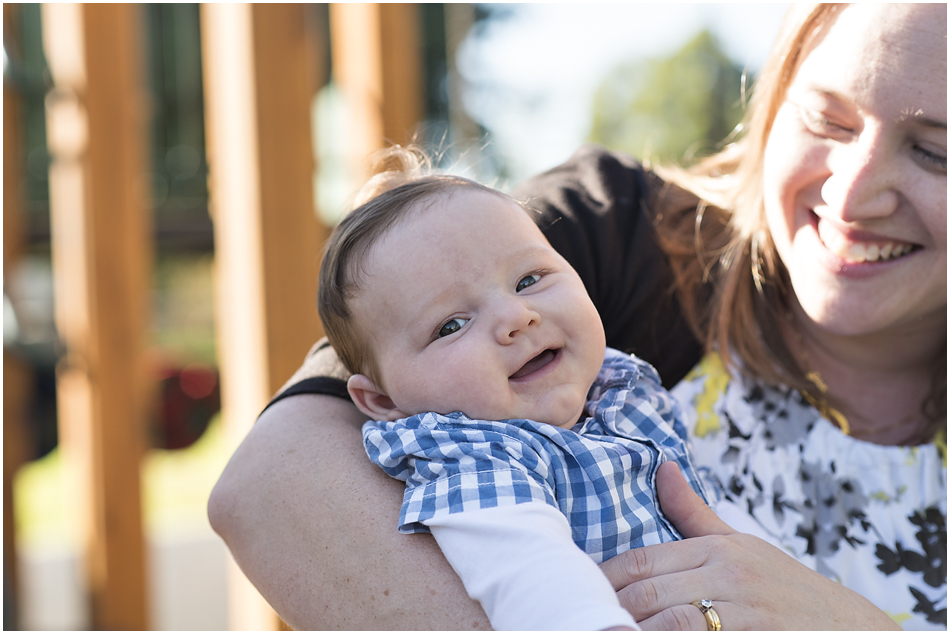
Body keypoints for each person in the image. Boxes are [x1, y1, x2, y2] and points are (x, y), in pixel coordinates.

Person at [208, 3, 946, 631]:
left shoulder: (612, 385)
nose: (853, 199)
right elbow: (270, 486)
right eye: (827, 119)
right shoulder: (608, 232)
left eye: (935, 153)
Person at [314, 147, 766, 630]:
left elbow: (724, 523)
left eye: (529, 279)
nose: (515, 317)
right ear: (384, 402)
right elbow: (533, 578)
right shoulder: (472, 458)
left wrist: (802, 590)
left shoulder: (623, 394)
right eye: (451, 325)